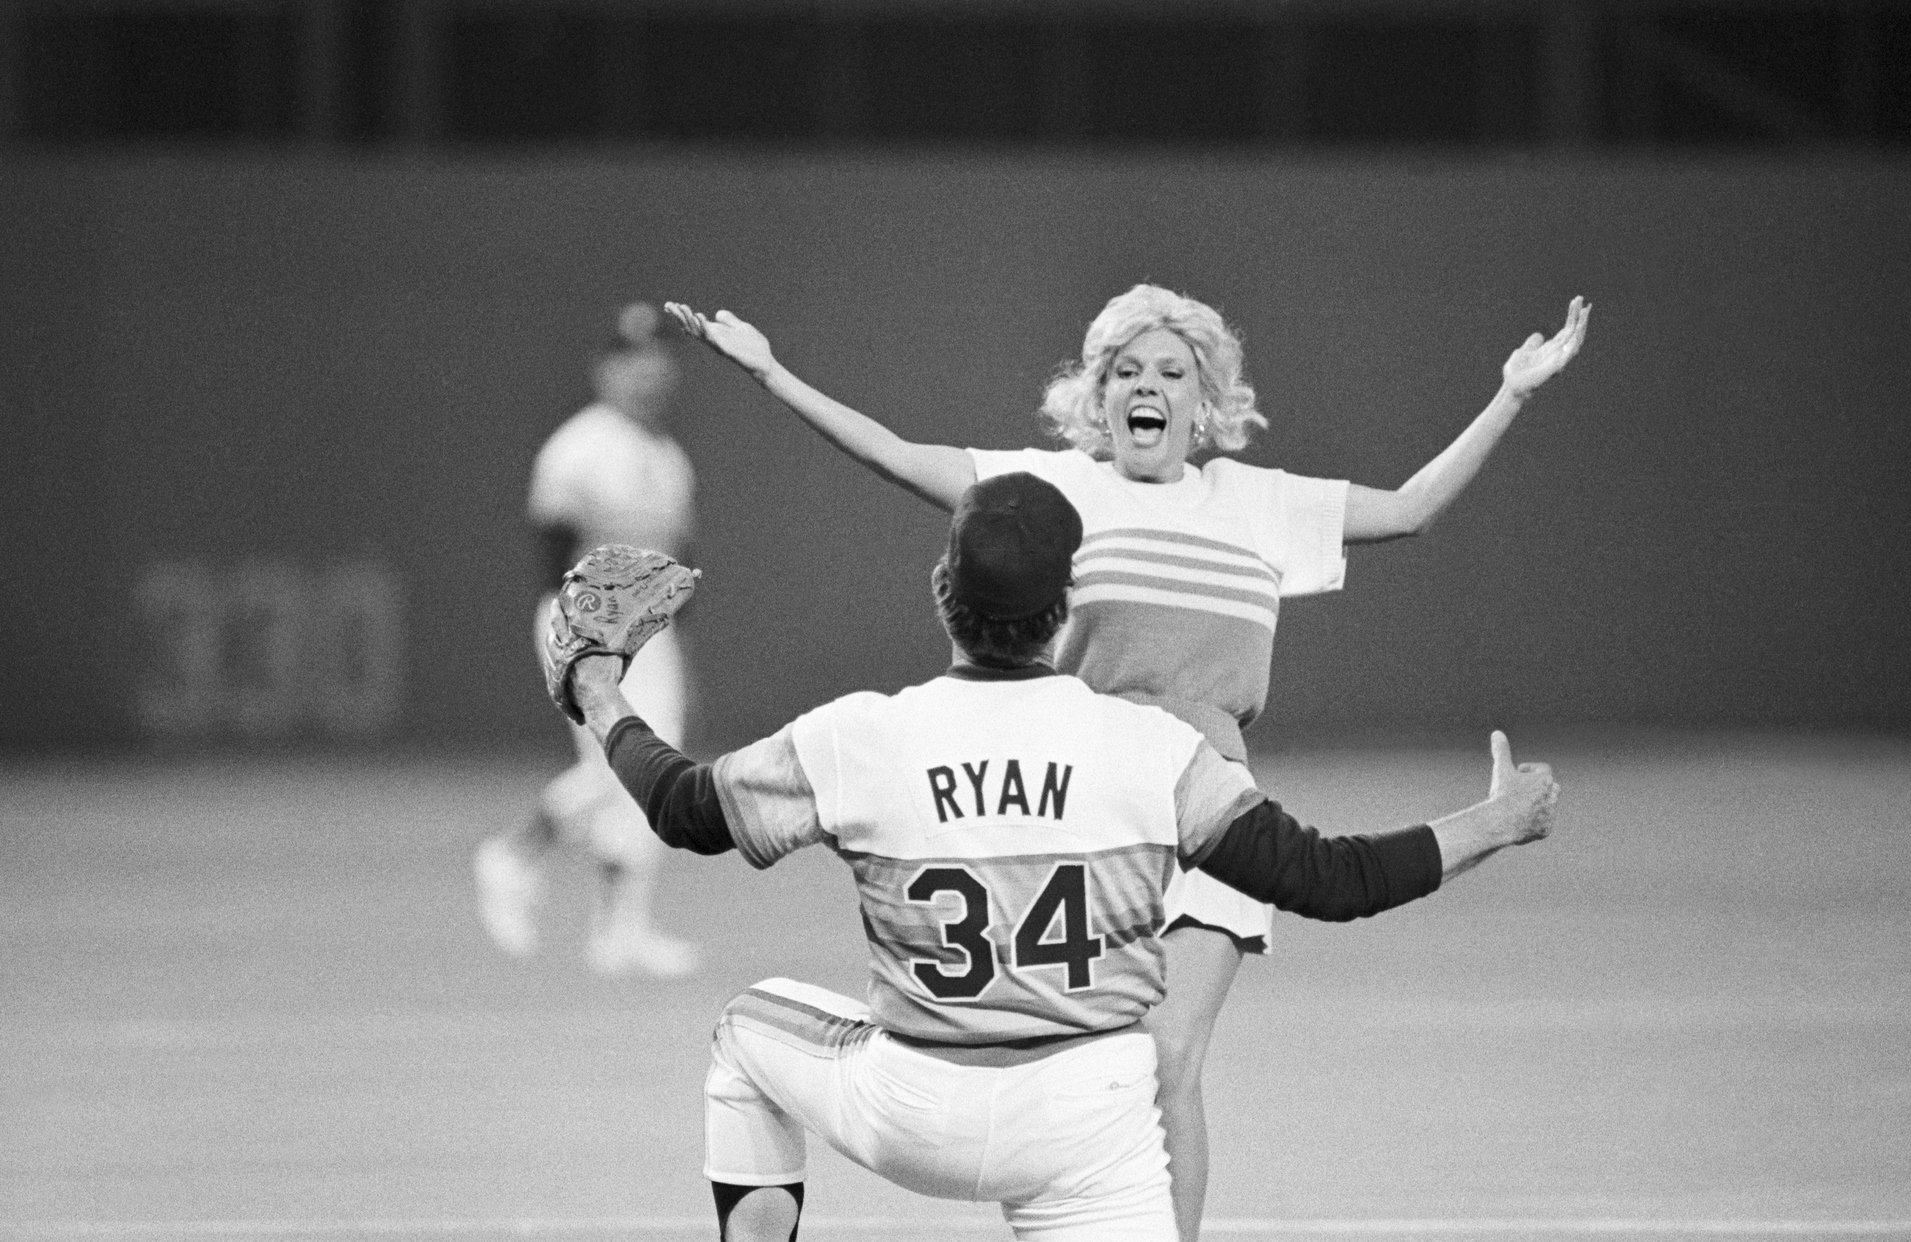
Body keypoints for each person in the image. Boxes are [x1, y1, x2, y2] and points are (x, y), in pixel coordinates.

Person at [663, 285, 1588, 1238]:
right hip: (1085, 813)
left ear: (1206, 401)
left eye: (1170, 372)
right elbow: (897, 456)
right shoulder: (1058, 488)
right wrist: (774, 374)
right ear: (1095, 398)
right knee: (1083, 1062)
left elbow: (1412, 508)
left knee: (1164, 1055)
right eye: (1123, 371)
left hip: (1209, 805)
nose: (1145, 386)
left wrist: (1512, 393)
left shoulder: (1261, 503)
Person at [472, 302, 701, 978]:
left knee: (653, 778)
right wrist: (585, 642)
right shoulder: (580, 445)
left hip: (648, 630)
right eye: (631, 361)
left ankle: (620, 931)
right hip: (588, 620)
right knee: (622, 767)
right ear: (605, 371)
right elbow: (552, 553)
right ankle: (514, 853)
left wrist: (675, 646)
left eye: (657, 361)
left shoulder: (666, 458)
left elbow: (676, 565)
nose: (647, 374)